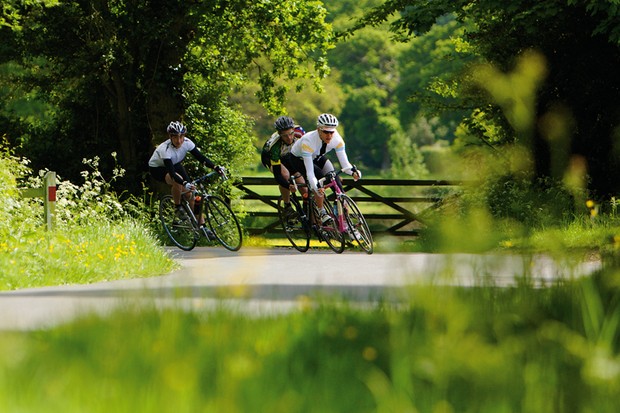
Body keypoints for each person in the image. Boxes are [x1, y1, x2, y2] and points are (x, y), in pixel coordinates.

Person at [283, 113, 362, 223]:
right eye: (325, 132)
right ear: (318, 130)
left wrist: (354, 172)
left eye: (331, 132)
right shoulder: (308, 141)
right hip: (299, 159)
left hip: (318, 156)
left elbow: (345, 166)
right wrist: (316, 186)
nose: (329, 135)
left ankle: (344, 219)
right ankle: (321, 211)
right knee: (319, 178)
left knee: (335, 180)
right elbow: (310, 173)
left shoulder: (337, 140)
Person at [148, 121, 224, 230]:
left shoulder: (187, 143)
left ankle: (202, 226)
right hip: (158, 168)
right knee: (178, 181)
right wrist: (184, 183)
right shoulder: (164, 149)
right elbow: (173, 174)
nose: (179, 141)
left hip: (175, 164)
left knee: (191, 194)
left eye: (181, 137)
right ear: (170, 137)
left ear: (184, 136)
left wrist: (215, 167)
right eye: (175, 137)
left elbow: (201, 158)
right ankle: (178, 207)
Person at [261, 115, 306, 218]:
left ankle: (306, 209)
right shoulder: (275, 146)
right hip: (270, 158)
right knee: (285, 174)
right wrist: (288, 186)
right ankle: (287, 206)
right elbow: (278, 175)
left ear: (294, 130)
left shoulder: (300, 133)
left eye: (291, 134)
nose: (289, 138)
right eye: (285, 136)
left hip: (288, 156)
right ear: (279, 134)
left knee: (303, 186)